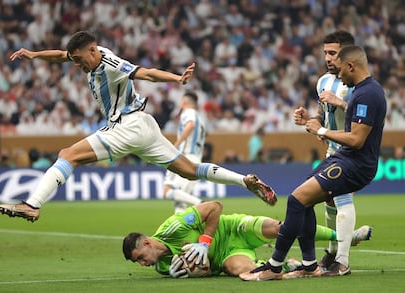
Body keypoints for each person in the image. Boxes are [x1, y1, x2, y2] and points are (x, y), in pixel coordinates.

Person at [0, 31, 277, 223]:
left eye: (81, 59)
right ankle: (245, 181)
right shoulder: (85, 56)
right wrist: (34, 55)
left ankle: (32, 205)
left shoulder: (109, 62)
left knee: (67, 155)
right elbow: (61, 55)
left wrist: (177, 79)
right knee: (190, 172)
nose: (79, 65)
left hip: (126, 126)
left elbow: (144, 73)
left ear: (93, 51)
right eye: (77, 60)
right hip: (145, 127)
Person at [239, 45, 386, 281]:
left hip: (356, 163)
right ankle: (309, 265)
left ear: (351, 66)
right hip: (345, 157)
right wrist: (315, 123)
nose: (338, 77)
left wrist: (323, 130)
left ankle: (274, 267)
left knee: (297, 200)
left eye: (341, 72)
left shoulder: (367, 94)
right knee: (301, 200)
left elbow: (357, 139)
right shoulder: (363, 90)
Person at [122, 201, 372, 278]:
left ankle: (346, 237)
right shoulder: (165, 268)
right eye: (139, 263)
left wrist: (205, 241)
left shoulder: (173, 227)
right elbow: (209, 271)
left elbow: (214, 207)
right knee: (248, 274)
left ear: (147, 243)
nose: (144, 264)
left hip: (233, 228)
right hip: (225, 257)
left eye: (141, 258)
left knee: (281, 228)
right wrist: (196, 272)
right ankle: (290, 266)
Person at [293, 30, 372, 274]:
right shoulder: (323, 81)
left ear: (347, 55)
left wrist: (342, 103)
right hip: (332, 151)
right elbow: (323, 115)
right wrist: (309, 119)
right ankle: (331, 252)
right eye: (325, 52)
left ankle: (343, 260)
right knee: (329, 202)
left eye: (333, 53)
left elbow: (369, 112)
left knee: (340, 197)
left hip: (352, 153)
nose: (327, 58)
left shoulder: (358, 85)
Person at [163, 91, 205, 212]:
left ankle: (200, 203)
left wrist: (175, 145)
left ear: (184, 101)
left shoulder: (188, 113)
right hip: (195, 158)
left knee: (167, 191)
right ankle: (179, 229)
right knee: (180, 200)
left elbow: (190, 125)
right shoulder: (200, 118)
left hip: (186, 157)